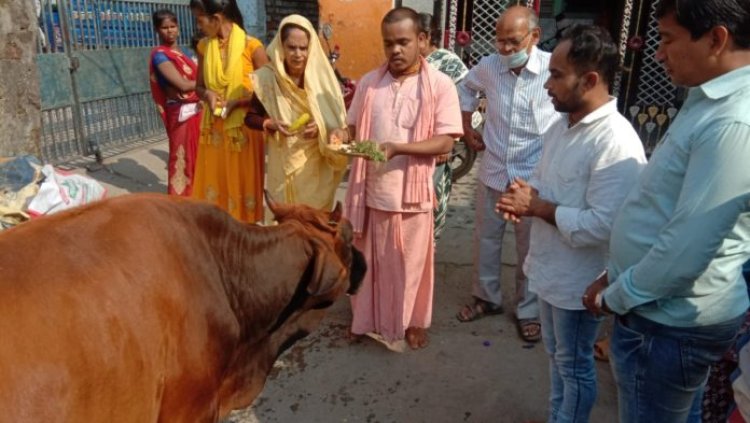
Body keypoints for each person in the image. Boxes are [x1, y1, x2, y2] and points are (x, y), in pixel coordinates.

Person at [582, 0, 750, 421]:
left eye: (668, 39)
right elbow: (663, 208)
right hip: (658, 310)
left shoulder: (733, 122)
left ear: (716, 39)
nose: (657, 53)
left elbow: (684, 251)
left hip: (666, 323)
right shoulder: (707, 99)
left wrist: (615, 298)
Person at [497, 25, 646, 422]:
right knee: (557, 359)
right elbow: (547, 185)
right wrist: (523, 197)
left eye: (557, 75)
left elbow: (605, 224)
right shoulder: (561, 126)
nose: (547, 85)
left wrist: (539, 208)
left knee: (575, 366)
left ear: (591, 80)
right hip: (550, 268)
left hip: (579, 281)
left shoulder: (615, 141)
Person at [331, 7, 463, 351]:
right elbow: (354, 128)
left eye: (403, 42)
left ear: (422, 40)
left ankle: (412, 321)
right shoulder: (370, 83)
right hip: (370, 192)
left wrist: (398, 148)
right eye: (388, 43)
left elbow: (446, 141)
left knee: (411, 267)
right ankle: (364, 319)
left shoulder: (440, 86)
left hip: (412, 195)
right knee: (366, 262)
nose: (395, 51)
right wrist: (339, 133)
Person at [455, 5, 560, 343]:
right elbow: (464, 88)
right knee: (485, 240)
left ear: (535, 36)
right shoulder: (489, 67)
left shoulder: (553, 70)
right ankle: (486, 299)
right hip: (495, 170)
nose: (505, 50)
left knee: (530, 248)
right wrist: (467, 127)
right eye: (500, 42)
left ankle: (529, 311)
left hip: (533, 178)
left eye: (513, 43)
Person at [244, 15, 348, 211]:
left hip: (315, 165)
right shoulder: (268, 78)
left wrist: (320, 127)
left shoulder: (322, 80)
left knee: (313, 222)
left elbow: (340, 123)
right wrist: (269, 124)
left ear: (311, 48)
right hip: (282, 164)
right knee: (284, 224)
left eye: (303, 48)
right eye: (291, 47)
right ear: (280, 46)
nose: (298, 54)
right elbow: (250, 117)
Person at [189, 0, 268, 223]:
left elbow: (268, 93)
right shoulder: (204, 46)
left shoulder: (252, 46)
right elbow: (199, 86)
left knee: (241, 186)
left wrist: (238, 103)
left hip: (243, 131)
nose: (198, 26)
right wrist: (209, 96)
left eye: (200, 19)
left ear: (216, 18)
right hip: (213, 129)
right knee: (216, 183)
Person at [418, 12, 469, 242]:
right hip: (411, 145)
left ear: (427, 37)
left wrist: (451, 140)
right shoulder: (407, 63)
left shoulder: (448, 62)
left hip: (438, 149)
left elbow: (465, 100)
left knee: (432, 205)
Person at [149, 9, 203, 197]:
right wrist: (207, 85)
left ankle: (197, 195)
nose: (170, 31)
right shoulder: (160, 55)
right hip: (180, 113)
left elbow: (189, 86)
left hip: (197, 110)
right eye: (164, 28)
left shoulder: (184, 53)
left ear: (179, 28)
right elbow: (182, 85)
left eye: (173, 26)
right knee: (181, 157)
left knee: (198, 155)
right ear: (157, 30)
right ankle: (180, 199)